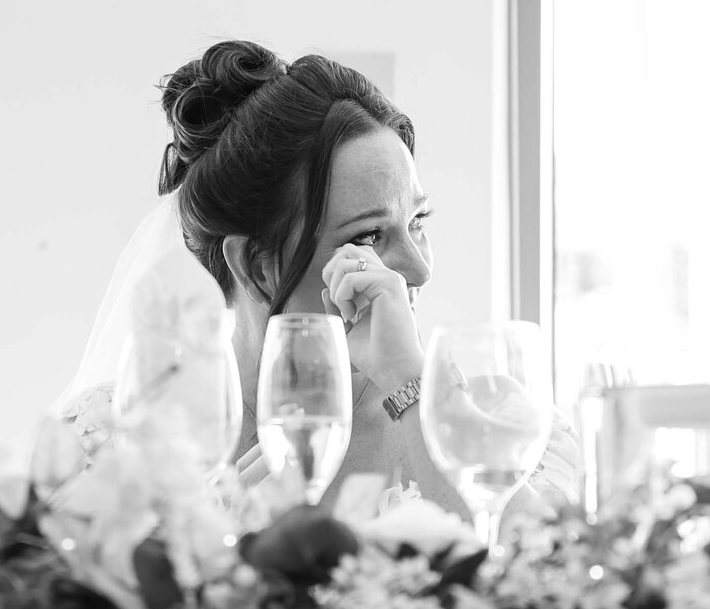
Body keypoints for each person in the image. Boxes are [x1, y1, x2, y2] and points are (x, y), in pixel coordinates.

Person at [149, 39, 578, 511]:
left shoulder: (500, 425)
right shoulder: (123, 437)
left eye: (418, 221)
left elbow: (542, 572)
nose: (420, 268)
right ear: (257, 267)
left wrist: (409, 380)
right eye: (371, 235)